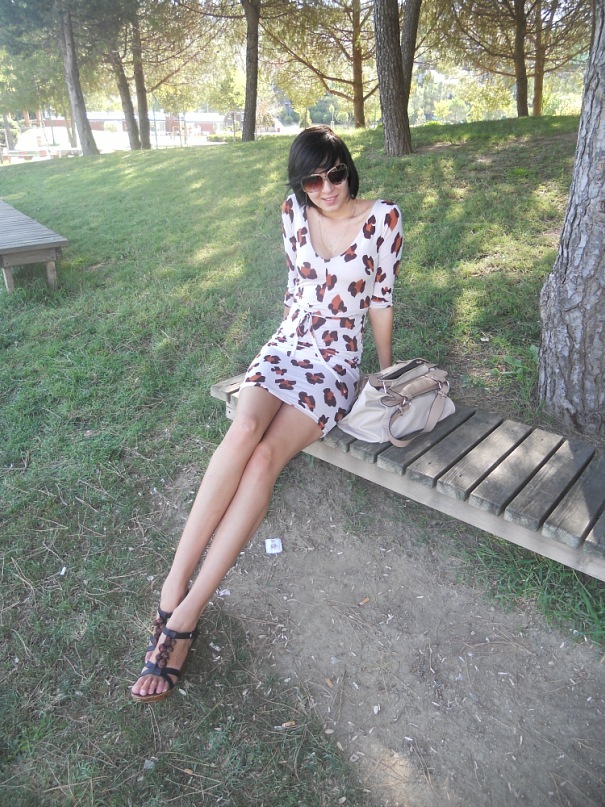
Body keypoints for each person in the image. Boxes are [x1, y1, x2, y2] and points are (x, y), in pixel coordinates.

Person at [131, 125, 403, 702]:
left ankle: (184, 618)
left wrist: (384, 374)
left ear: (347, 168)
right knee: (245, 430)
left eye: (334, 173)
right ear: (299, 184)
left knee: (263, 463)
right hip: (286, 346)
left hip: (335, 360)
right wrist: (279, 352)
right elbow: (293, 287)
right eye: (312, 180)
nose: (326, 188)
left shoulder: (383, 218)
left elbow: (380, 299)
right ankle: (171, 588)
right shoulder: (292, 211)